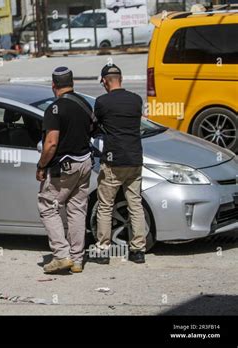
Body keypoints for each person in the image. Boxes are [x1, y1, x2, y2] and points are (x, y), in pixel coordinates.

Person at [37, 66, 94, 274]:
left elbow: (51, 143)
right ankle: (77, 260)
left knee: (47, 206)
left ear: (54, 85)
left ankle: (61, 255)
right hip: (85, 162)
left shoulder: (54, 109)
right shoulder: (84, 104)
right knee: (77, 209)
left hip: (64, 166)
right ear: (72, 83)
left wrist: (41, 165)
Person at [91, 64, 146, 264]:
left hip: (113, 161)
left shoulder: (102, 102)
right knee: (135, 204)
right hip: (134, 159)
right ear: (120, 79)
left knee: (105, 206)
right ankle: (138, 251)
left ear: (105, 81)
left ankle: (103, 251)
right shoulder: (136, 100)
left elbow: (94, 126)